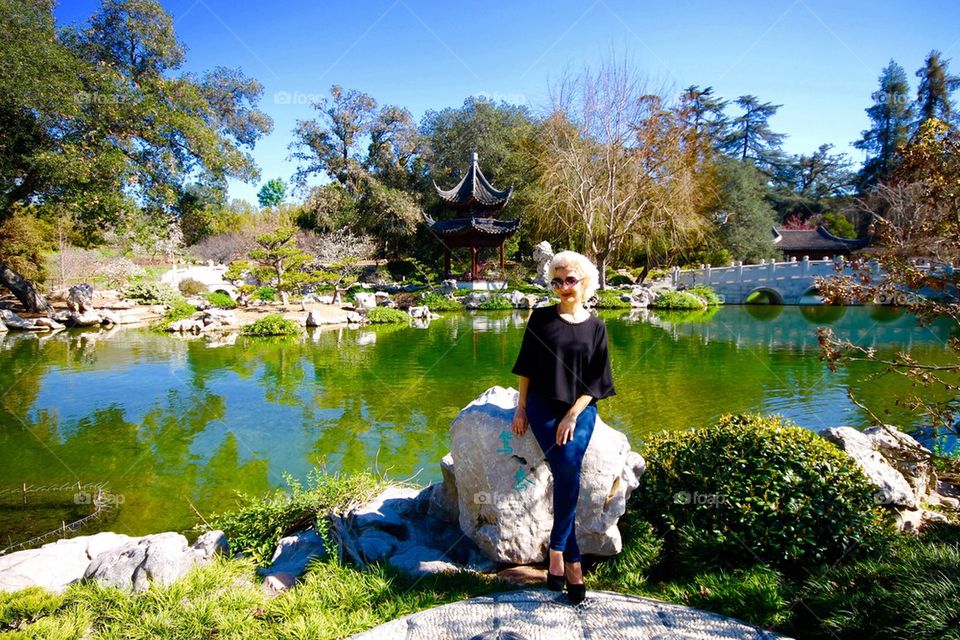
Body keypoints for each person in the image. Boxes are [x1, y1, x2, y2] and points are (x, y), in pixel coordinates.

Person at [510, 250, 616, 605]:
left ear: (585, 281)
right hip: (542, 405)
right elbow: (526, 367)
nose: (563, 287)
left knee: (569, 463)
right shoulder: (540, 319)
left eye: (569, 280)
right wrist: (521, 408)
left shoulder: (597, 327)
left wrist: (573, 415)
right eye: (556, 281)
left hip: (580, 409)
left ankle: (558, 551)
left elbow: (597, 380)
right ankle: (572, 562)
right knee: (565, 467)